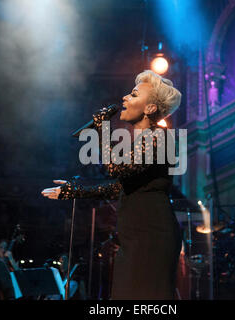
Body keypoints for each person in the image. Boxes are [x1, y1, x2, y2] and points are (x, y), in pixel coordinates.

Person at [42, 70, 183, 299]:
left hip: (153, 236)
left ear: (150, 108)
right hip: (133, 237)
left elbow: (115, 169)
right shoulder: (141, 142)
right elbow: (120, 185)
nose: (125, 98)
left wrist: (102, 128)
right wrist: (76, 191)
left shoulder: (160, 137)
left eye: (134, 95)